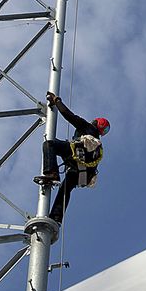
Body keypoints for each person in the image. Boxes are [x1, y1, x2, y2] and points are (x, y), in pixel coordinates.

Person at [36, 91, 109, 225]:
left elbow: (69, 115)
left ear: (95, 123)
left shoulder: (87, 127)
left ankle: (52, 173)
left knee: (49, 145)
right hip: (82, 172)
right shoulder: (97, 145)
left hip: (76, 156)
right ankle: (56, 218)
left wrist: (56, 101)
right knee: (66, 189)